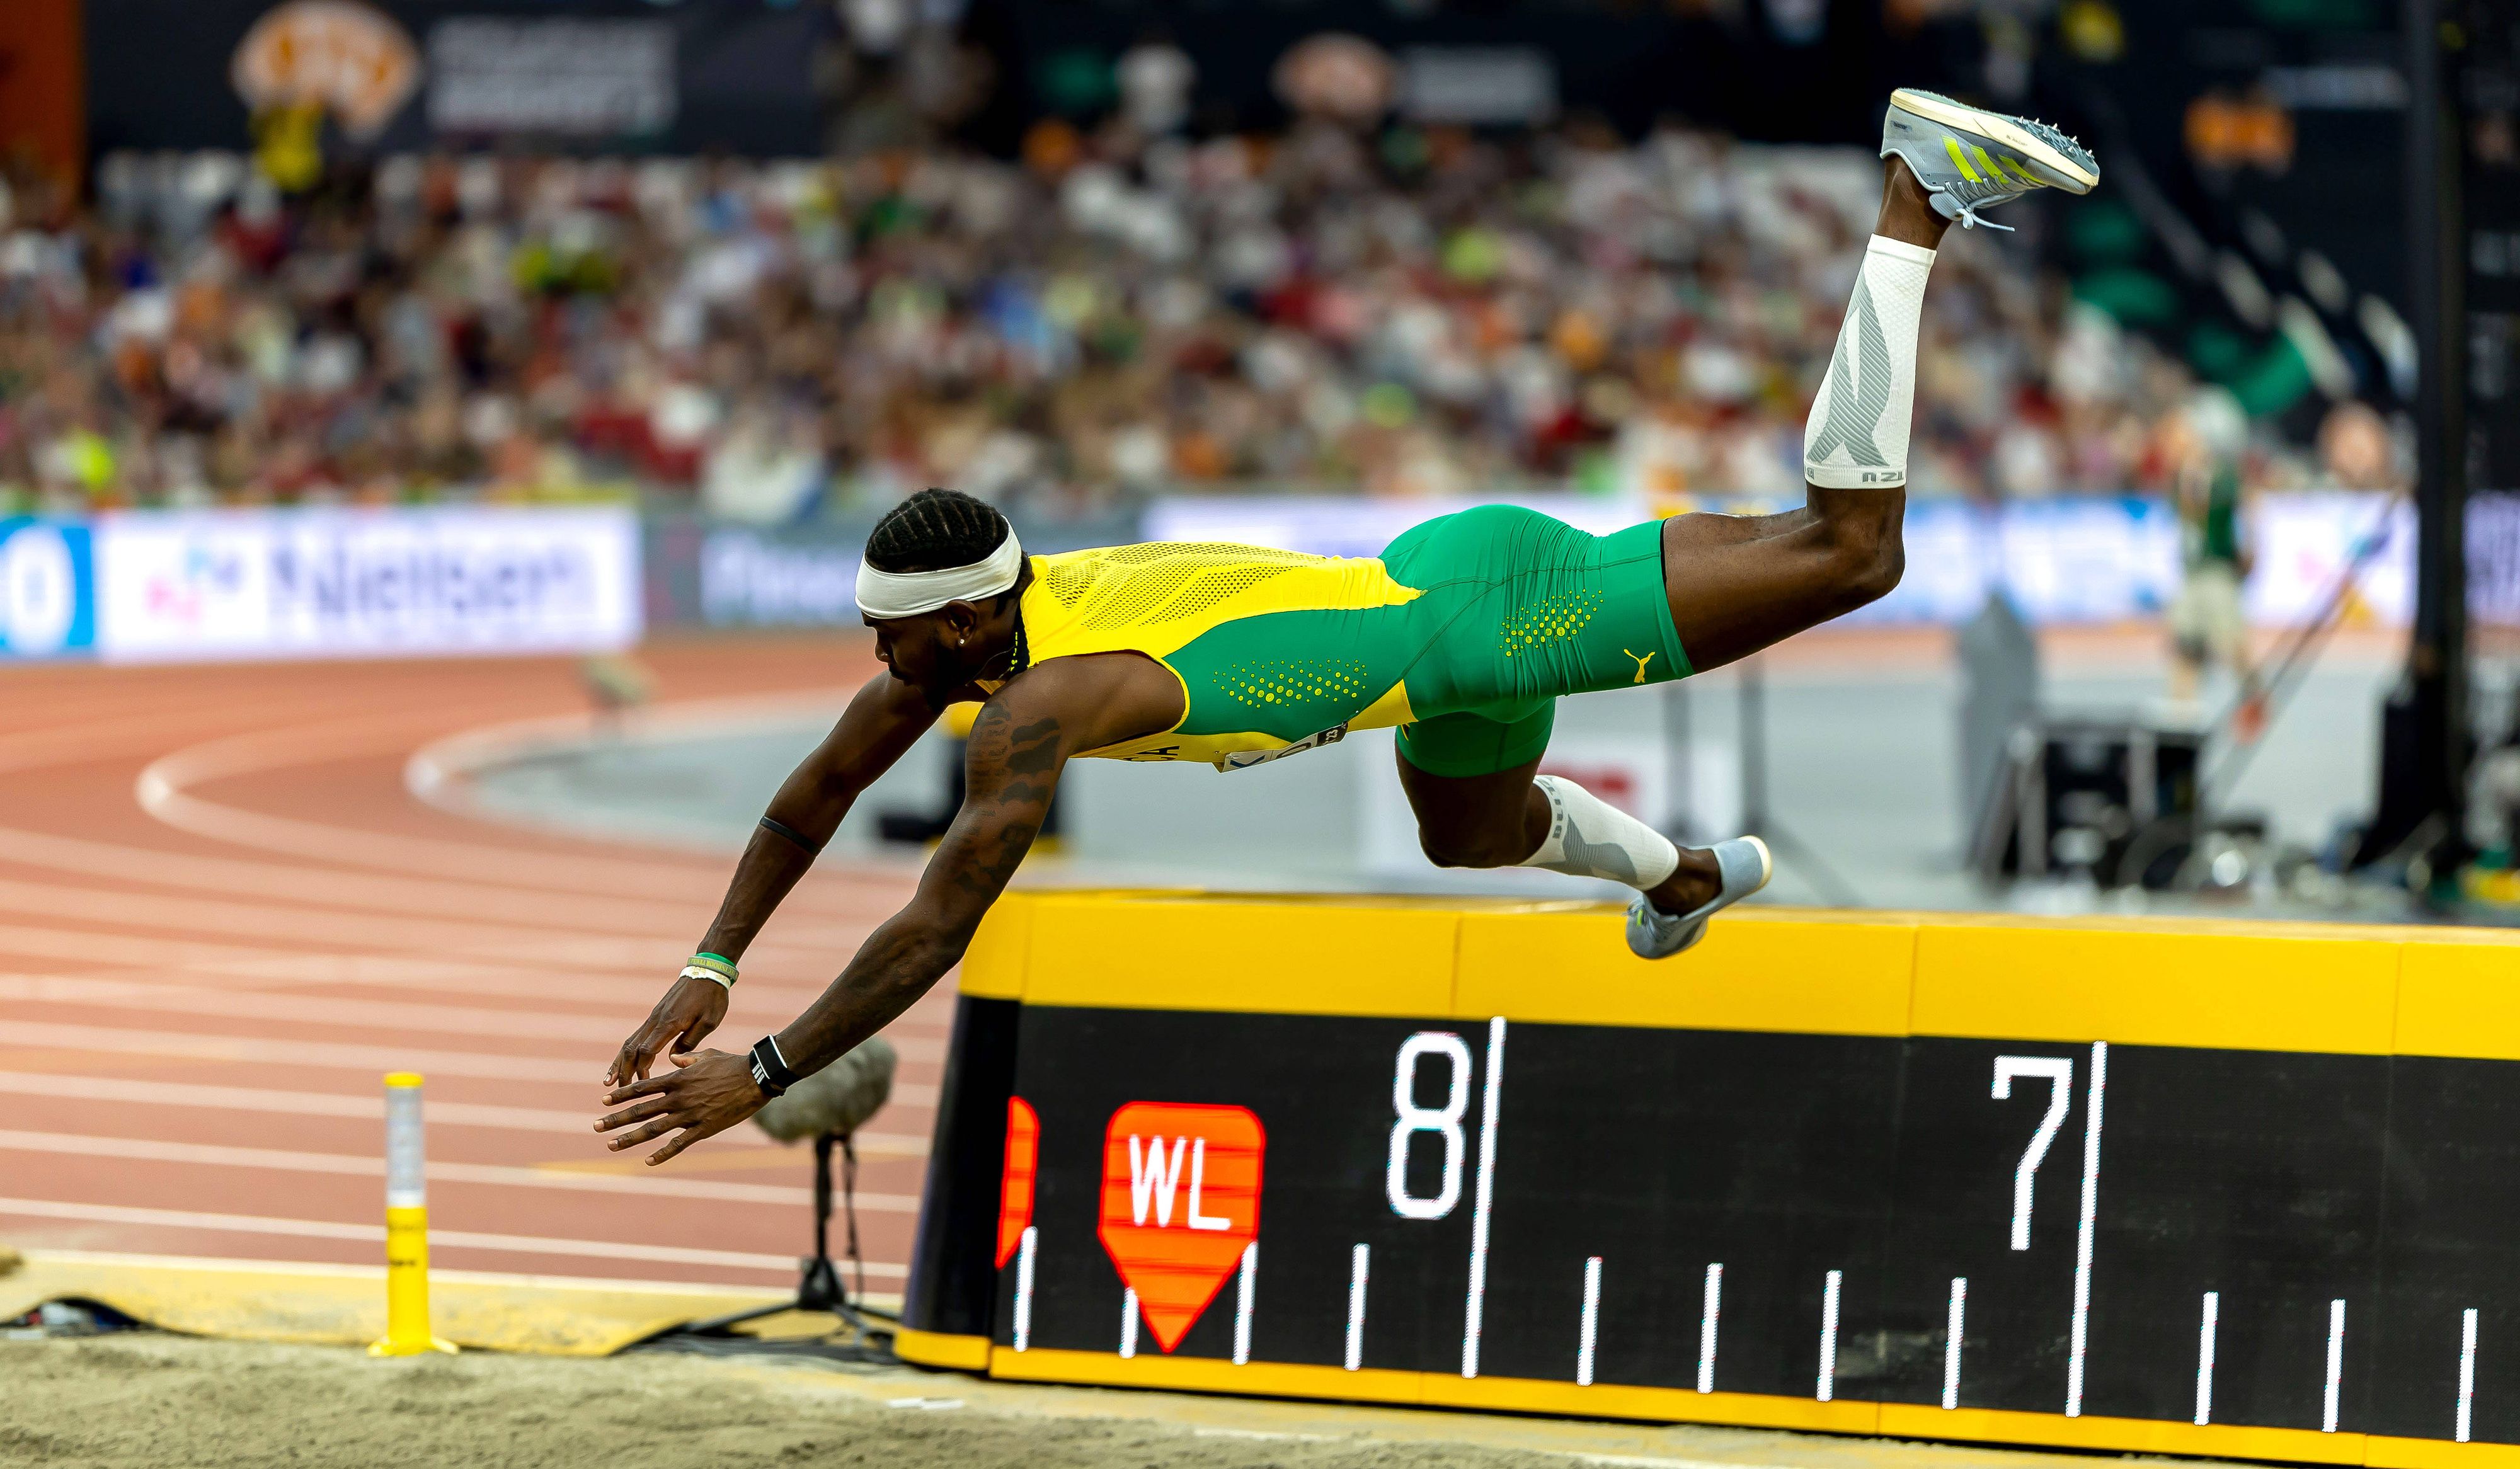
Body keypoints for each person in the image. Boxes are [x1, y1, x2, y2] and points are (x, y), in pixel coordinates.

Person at [597, 91, 2100, 1163]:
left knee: (1849, 555)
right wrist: (715, 964)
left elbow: (941, 913)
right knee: (1470, 832)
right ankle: (1683, 876)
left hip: (1488, 622)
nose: (877, 665)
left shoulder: (1033, 705)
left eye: (890, 641)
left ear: (967, 621)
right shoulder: (972, 649)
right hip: (1421, 617)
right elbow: (814, 795)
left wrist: (770, 1068)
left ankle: (1913, 194)